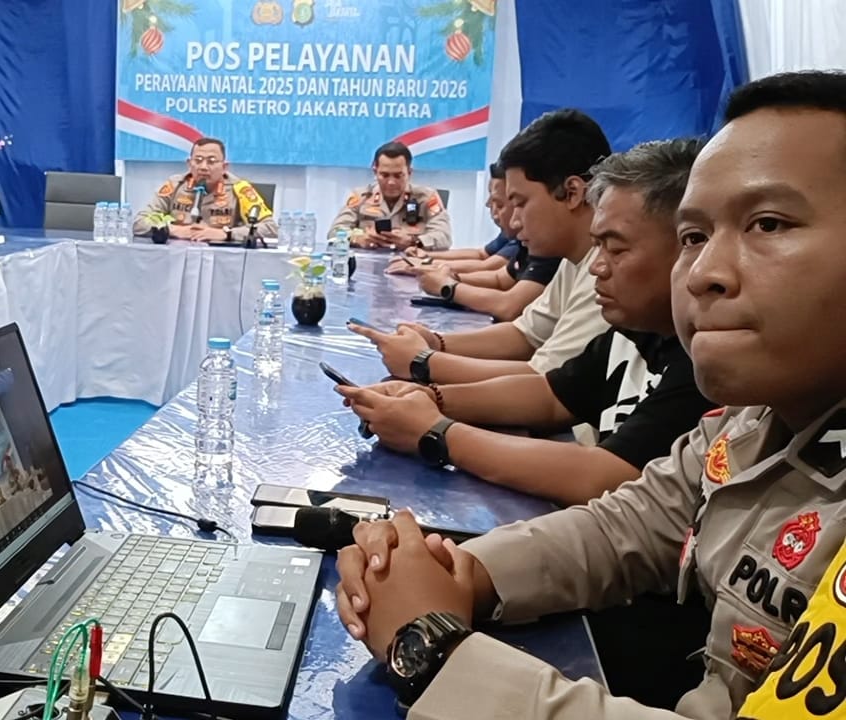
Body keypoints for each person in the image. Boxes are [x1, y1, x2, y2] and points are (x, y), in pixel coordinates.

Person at [335, 70, 846, 720]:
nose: (704, 273)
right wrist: (464, 573)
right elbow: (632, 522)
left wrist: (436, 657)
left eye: (768, 224)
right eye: (694, 237)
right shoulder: (754, 418)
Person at [341, 138, 714, 506]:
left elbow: (605, 475)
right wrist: (430, 398)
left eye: (616, 248)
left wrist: (434, 427)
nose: (598, 266)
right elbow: (551, 394)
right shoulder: (635, 328)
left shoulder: (703, 365)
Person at [350, 109, 612, 384]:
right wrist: (434, 342)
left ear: (572, 193)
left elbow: (546, 383)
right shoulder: (574, 260)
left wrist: (425, 364)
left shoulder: (603, 272)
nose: (513, 220)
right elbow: (524, 335)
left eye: (520, 203)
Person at [386, 163, 561, 322]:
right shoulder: (527, 239)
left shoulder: (550, 247)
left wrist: (445, 283)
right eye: (384, 174)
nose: (489, 206)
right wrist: (444, 274)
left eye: (519, 203)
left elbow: (508, 305)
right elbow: (498, 276)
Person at [131, 137, 276, 243]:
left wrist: (227, 234)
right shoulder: (175, 185)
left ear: (224, 167)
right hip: (176, 256)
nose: (203, 167)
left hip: (223, 258)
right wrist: (172, 230)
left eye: (211, 161)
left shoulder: (239, 189)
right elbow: (139, 223)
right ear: (189, 164)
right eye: (198, 160)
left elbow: (270, 228)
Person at [327, 142, 452, 250]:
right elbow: (334, 232)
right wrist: (358, 239)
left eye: (398, 176)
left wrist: (413, 242)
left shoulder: (426, 197)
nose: (391, 182)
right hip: (367, 262)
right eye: (385, 175)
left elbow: (444, 237)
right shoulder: (361, 196)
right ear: (375, 172)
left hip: (411, 263)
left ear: (409, 173)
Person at [403, 163, 518, 275]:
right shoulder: (509, 233)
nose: (488, 204)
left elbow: (488, 268)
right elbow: (481, 254)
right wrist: (425, 256)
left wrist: (421, 261)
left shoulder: (427, 196)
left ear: (409, 173)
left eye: (498, 203)